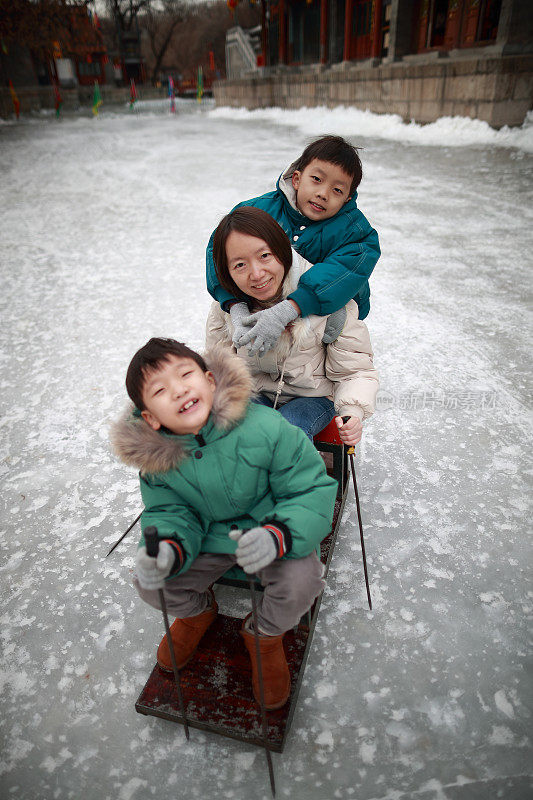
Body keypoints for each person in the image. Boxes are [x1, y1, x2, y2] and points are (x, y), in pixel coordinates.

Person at [110, 338, 338, 710]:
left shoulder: (266, 427)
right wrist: (167, 549)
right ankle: (197, 613)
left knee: (303, 582)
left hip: (273, 531)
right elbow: (169, 513)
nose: (179, 389)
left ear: (210, 380)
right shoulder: (158, 461)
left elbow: (309, 489)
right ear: (150, 417)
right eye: (161, 390)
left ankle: (264, 634)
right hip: (209, 539)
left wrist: (278, 535)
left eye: (185, 374)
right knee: (151, 582)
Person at [206, 206, 379, 445]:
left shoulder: (329, 297)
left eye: (264, 256)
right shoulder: (227, 308)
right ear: (226, 272)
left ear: (282, 251)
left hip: (313, 397)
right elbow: (219, 365)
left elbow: (354, 371)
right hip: (255, 392)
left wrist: (353, 411)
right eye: (239, 265)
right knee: (239, 428)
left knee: (289, 428)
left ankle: (293, 479)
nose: (256, 274)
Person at [206, 135, 380, 357]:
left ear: (347, 199)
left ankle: (322, 387)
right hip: (265, 297)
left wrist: (290, 309)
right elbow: (218, 249)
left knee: (328, 356)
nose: (323, 194)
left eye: (337, 190)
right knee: (220, 312)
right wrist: (234, 305)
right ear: (297, 179)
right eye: (317, 179)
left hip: (329, 310)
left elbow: (346, 270)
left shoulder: (356, 232)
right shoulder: (260, 210)